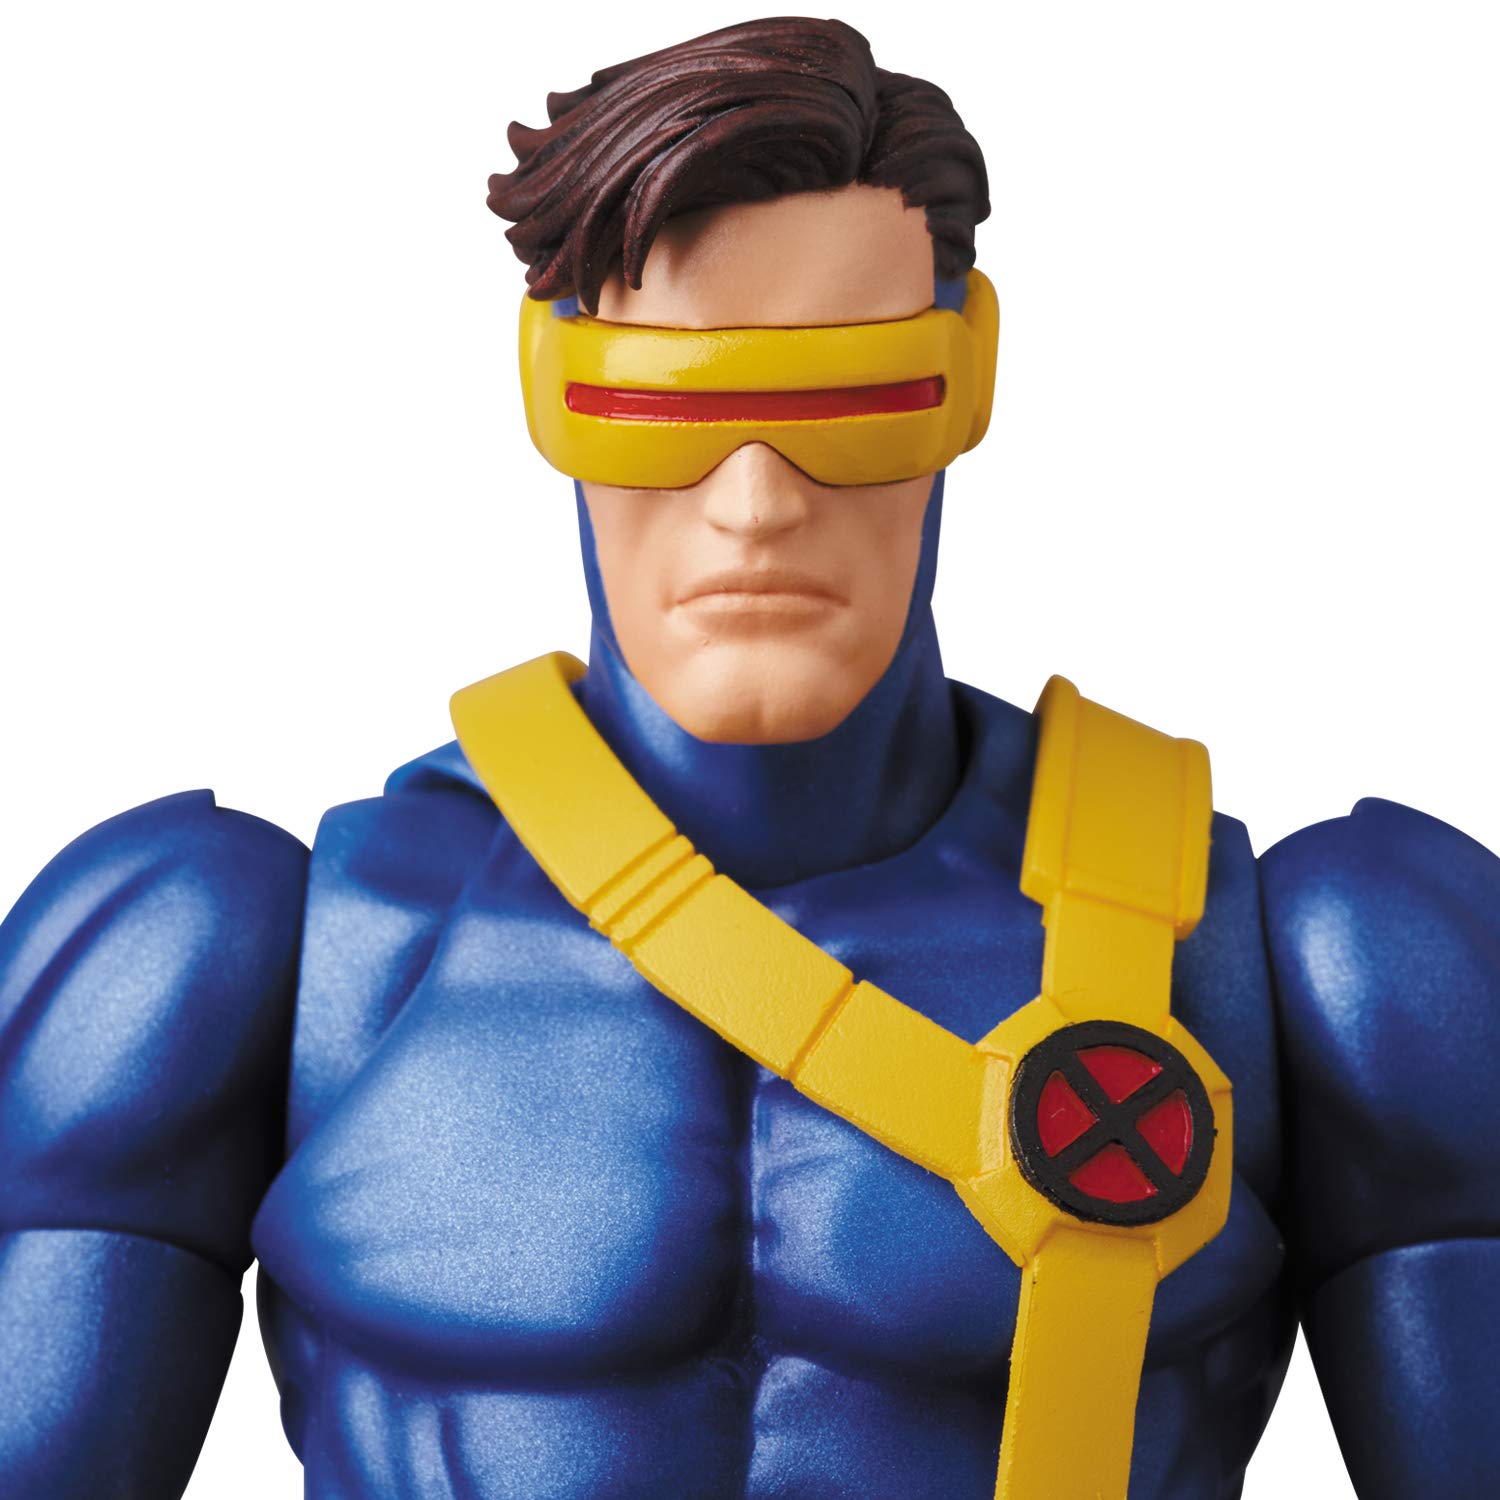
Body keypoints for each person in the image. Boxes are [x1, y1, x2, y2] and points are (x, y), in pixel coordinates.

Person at [1, 17, 1496, 1500]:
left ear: (969, 376)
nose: (756, 503)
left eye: (854, 400)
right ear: (549, 389)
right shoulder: (236, 953)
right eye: (662, 406)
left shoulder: (1316, 962)